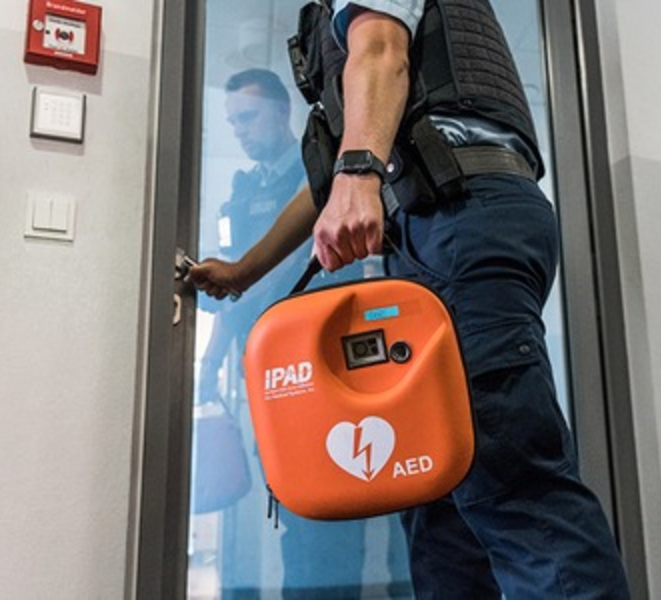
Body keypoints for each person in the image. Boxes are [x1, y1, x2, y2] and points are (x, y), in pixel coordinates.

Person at [191, 1, 632, 598]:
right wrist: (246, 270)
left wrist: (358, 175)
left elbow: (381, 50)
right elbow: (326, 176)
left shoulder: (365, 30)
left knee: (510, 486)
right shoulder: (332, 35)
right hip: (441, 223)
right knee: (435, 492)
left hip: (461, 212)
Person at [192, 68, 373, 598]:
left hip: (320, 360)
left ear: (281, 111)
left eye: (247, 117)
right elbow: (236, 291)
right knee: (294, 499)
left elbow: (285, 264)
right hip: (268, 369)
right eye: (232, 121)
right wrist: (211, 361)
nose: (240, 130)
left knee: (330, 503)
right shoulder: (243, 188)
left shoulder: (316, 171)